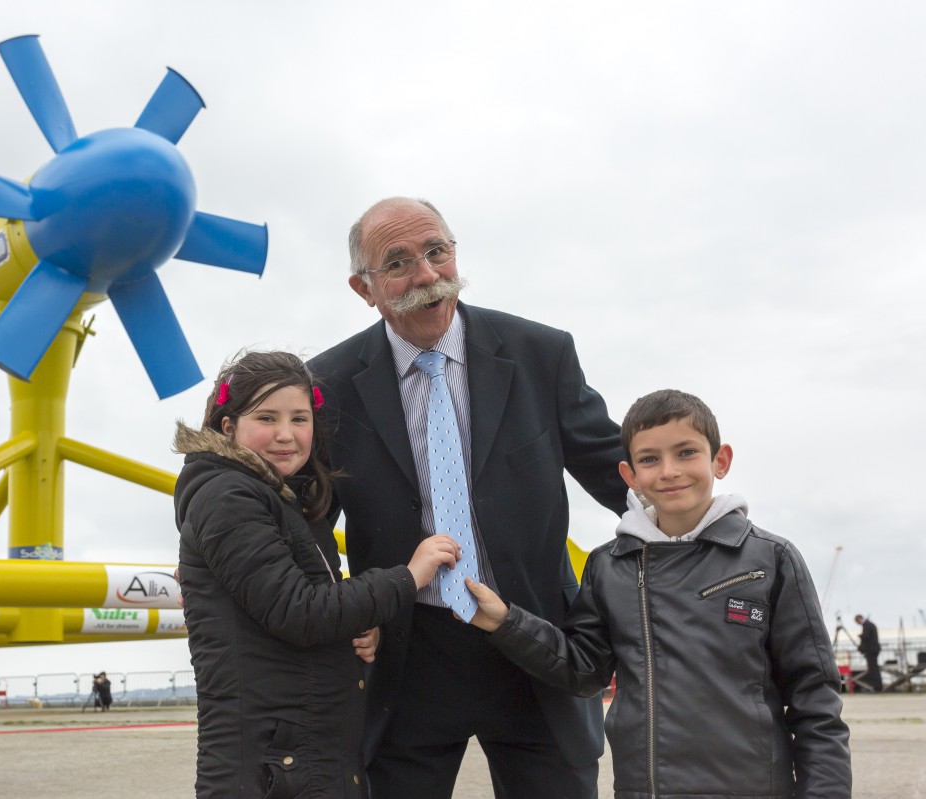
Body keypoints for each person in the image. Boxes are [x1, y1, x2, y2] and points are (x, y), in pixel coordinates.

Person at [309, 197, 626, 798]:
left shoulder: (541, 353)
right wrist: (340, 609)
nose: (427, 275)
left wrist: (699, 547)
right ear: (364, 287)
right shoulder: (327, 383)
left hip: (535, 641)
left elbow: (618, 477)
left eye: (437, 251)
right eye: (398, 262)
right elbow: (312, 520)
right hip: (406, 658)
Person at [465, 389, 852, 797]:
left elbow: (815, 700)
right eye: (649, 459)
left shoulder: (771, 559)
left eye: (686, 452)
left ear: (720, 461)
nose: (669, 471)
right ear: (630, 476)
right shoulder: (609, 566)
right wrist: (505, 621)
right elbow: (584, 670)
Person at [173, 350, 462, 799]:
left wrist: (359, 626)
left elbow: (298, 606)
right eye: (266, 418)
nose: (285, 435)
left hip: (302, 755)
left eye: (299, 419)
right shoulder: (227, 495)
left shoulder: (287, 500)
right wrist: (408, 577)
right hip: (272, 765)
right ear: (228, 427)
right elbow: (300, 612)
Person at [855, 614, 883, 692]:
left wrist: (861, 636)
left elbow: (867, 637)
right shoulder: (869, 624)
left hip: (871, 650)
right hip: (873, 649)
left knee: (873, 669)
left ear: (859, 619)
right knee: (874, 668)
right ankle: (878, 686)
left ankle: (877, 687)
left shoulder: (867, 625)